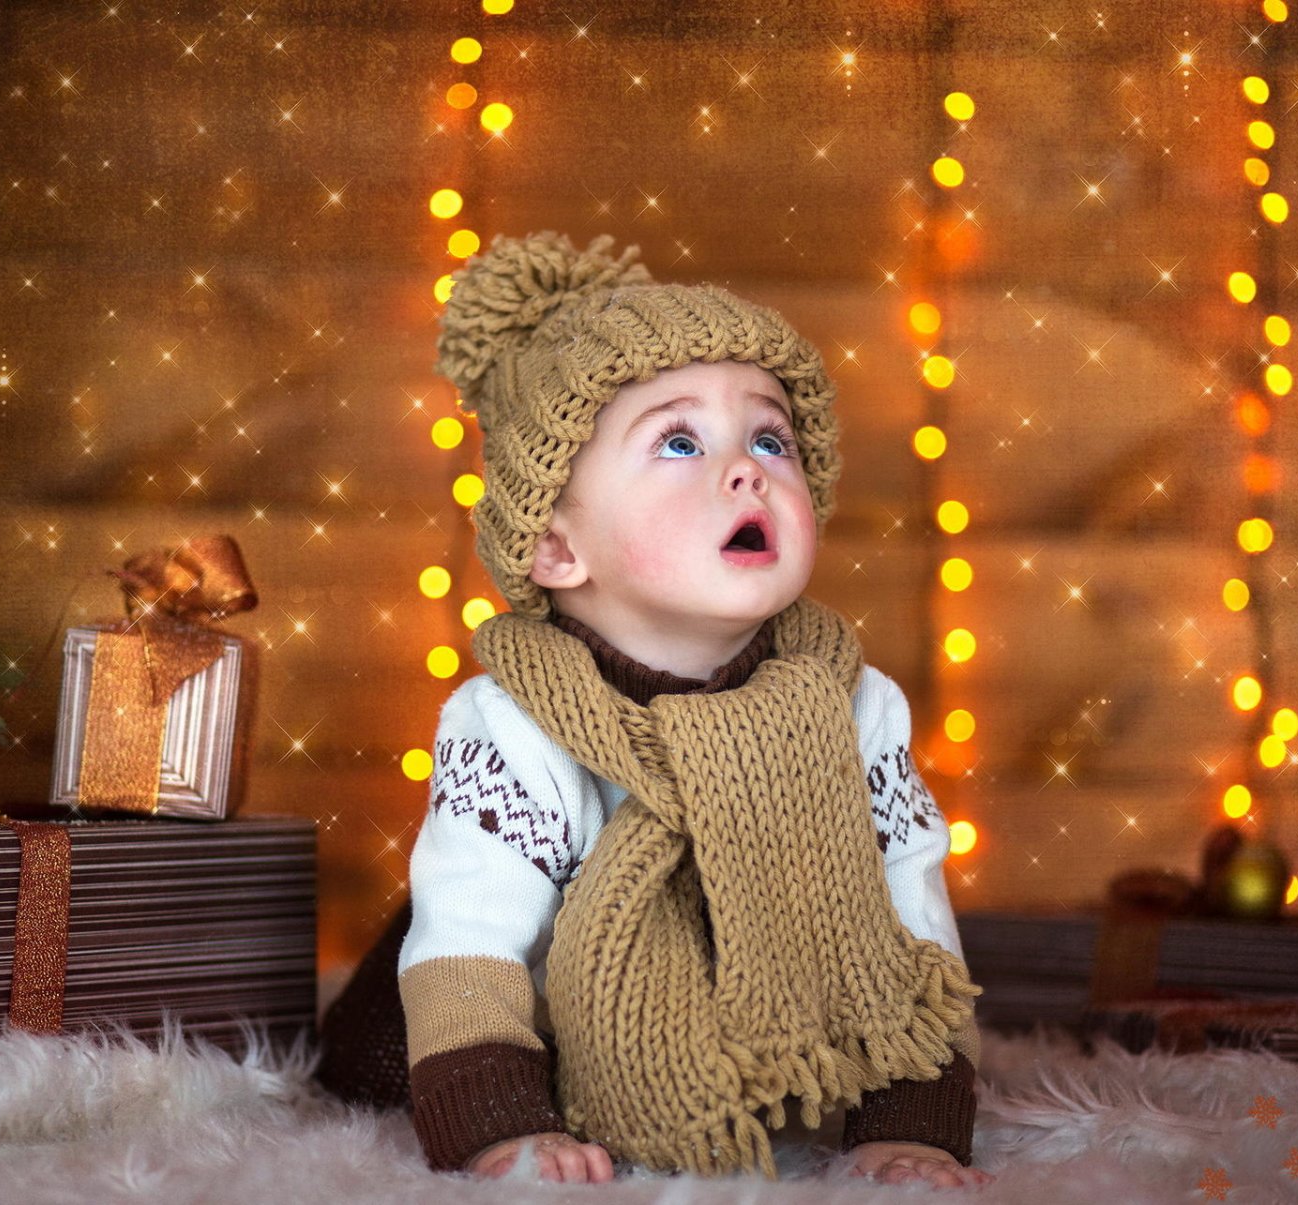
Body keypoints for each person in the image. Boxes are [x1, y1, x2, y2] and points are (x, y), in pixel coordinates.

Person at [317, 232, 989, 1189]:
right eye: (680, 442)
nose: (747, 468)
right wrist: (502, 1127)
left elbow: (910, 928)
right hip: (536, 1041)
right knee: (420, 1018)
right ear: (556, 547)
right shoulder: (512, 722)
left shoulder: (853, 705)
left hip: (750, 1036)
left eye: (771, 438)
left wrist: (914, 1121)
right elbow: (471, 935)